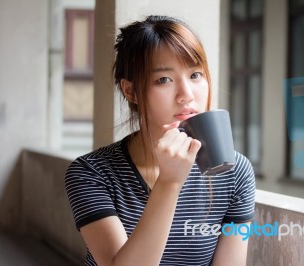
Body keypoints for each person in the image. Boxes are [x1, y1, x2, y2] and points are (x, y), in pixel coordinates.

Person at [65, 15, 255, 266]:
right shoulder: (91, 173)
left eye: (196, 75)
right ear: (130, 90)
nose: (186, 95)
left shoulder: (234, 172)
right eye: (164, 79)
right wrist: (169, 182)